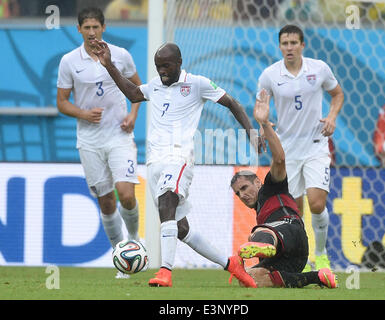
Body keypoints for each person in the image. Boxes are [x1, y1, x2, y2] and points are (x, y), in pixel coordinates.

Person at [92, 40, 265, 287]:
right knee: (180, 228)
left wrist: (251, 132)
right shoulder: (155, 86)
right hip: (154, 162)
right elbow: (132, 93)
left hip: (179, 156)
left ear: (179, 63)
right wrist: (109, 65)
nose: (161, 70)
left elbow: (233, 103)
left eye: (166, 66)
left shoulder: (197, 84)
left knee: (166, 202)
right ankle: (231, 264)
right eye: (158, 66)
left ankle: (165, 271)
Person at [56, 7, 142, 278]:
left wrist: (132, 115)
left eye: (96, 27)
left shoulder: (121, 55)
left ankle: (135, 239)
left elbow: (138, 90)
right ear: (79, 30)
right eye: (86, 28)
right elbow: (61, 102)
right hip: (89, 141)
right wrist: (83, 113)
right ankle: (121, 260)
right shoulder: (69, 61)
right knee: (106, 202)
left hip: (119, 135)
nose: (91, 32)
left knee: (126, 194)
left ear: (104, 28)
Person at [256, 24, 344, 271]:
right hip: (287, 151)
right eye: (285, 43)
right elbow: (260, 108)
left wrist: (332, 117)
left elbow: (337, 95)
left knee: (317, 203)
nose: (289, 47)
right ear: (280, 46)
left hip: (316, 145)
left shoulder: (319, 69)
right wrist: (264, 124)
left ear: (303, 45)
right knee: (294, 211)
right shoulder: (269, 75)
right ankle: (303, 260)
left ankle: (322, 253)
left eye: (294, 43)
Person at [231, 88, 337, 288]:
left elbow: (280, 159)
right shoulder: (260, 209)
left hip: (291, 230)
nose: (243, 194)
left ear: (257, 182)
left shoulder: (272, 187)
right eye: (238, 193)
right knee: (250, 279)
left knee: (260, 232)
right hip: (295, 258)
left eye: (244, 187)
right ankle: (317, 277)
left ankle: (264, 242)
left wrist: (264, 125)